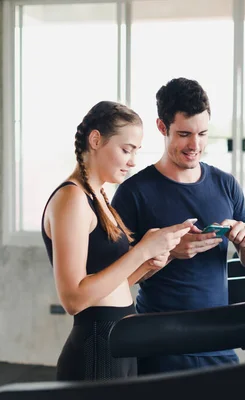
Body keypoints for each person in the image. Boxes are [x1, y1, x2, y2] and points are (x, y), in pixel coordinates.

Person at [111, 78, 245, 375]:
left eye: (203, 133)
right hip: (158, 345)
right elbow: (115, 282)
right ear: (162, 127)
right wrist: (168, 252)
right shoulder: (134, 193)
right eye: (184, 134)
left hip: (217, 342)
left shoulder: (225, 184)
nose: (195, 145)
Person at [40, 100, 192, 381]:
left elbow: (112, 286)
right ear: (96, 140)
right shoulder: (71, 199)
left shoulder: (99, 198)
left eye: (136, 152)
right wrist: (142, 250)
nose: (133, 161)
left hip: (118, 342)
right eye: (126, 150)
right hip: (95, 348)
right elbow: (74, 299)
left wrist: (154, 260)